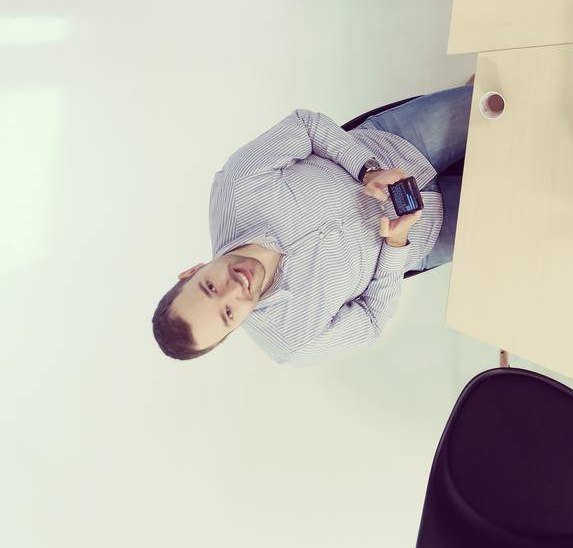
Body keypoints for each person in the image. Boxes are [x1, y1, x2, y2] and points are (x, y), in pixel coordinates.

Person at [151, 89, 471, 364]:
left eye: (210, 287)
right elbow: (372, 321)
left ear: (191, 271)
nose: (236, 288)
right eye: (228, 314)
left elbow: (306, 127)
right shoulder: (294, 343)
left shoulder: (234, 187)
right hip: (432, 231)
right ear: (234, 330)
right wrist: (396, 244)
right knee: (519, 207)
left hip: (397, 144)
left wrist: (368, 171)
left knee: (509, 96)